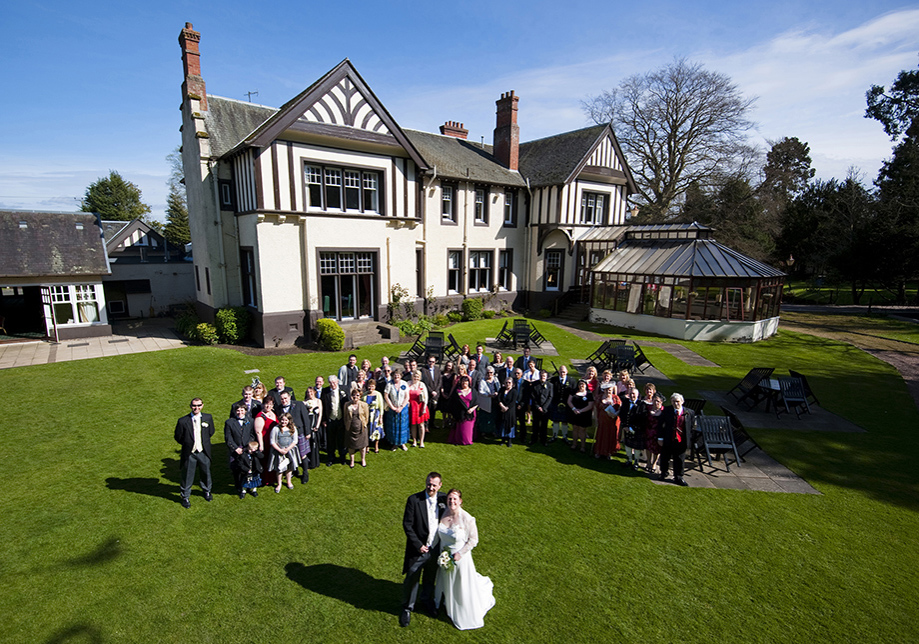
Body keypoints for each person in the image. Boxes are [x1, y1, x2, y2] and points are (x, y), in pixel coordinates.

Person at [434, 488, 495, 630]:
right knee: (446, 580)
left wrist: (460, 553)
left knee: (460, 584)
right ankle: (444, 601)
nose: (452, 501)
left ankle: (461, 608)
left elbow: (474, 540)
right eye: (450, 498)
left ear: (460, 501)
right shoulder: (443, 512)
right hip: (444, 555)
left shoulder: (467, 518)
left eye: (455, 499)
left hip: (459, 558)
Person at [401, 472, 447, 627]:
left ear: (440, 485)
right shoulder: (414, 500)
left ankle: (426, 601)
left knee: (430, 577)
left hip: (435, 549)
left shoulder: (443, 499)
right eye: (429, 483)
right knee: (413, 578)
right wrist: (418, 545)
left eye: (434, 485)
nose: (431, 487)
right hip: (418, 549)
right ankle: (408, 607)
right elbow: (407, 525)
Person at [174, 398, 214, 508]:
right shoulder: (183, 421)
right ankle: (185, 497)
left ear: (202, 406)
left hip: (203, 451)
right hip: (189, 453)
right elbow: (178, 436)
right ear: (190, 406)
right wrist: (188, 444)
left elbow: (211, 432)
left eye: (198, 405)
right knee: (187, 475)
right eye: (194, 406)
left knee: (206, 472)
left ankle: (207, 491)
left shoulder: (208, 418)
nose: (196, 408)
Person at [658, 393, 695, 486]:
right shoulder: (666, 410)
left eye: (678, 401)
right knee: (665, 457)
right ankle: (663, 473)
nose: (676, 403)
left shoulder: (689, 413)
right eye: (673, 401)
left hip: (681, 440)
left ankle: (678, 476)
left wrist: (689, 440)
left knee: (680, 459)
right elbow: (660, 425)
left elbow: (691, 427)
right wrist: (660, 438)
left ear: (682, 402)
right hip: (668, 438)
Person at [225, 402, 257, 499]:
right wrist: (235, 448)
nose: (240, 412)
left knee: (249, 468)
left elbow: (252, 434)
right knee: (236, 468)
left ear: (245, 411)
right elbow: (228, 438)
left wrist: (249, 446)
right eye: (238, 411)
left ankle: (250, 486)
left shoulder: (250, 421)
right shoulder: (229, 422)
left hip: (247, 448)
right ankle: (238, 485)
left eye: (242, 410)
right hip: (235, 449)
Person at [269, 412, 300, 492]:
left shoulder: (293, 428)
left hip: (289, 451)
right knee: (280, 468)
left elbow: (295, 441)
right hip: (279, 451)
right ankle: (279, 484)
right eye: (282, 420)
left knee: (289, 468)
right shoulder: (276, 428)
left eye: (286, 420)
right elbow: (272, 441)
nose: (284, 422)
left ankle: (289, 481)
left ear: (289, 421)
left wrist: (288, 449)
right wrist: (280, 450)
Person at [321, 375, 347, 466]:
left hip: (341, 419)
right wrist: (324, 420)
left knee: (341, 440)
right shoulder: (325, 392)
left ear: (337, 382)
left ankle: (342, 458)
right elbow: (323, 406)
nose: (333, 384)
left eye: (334, 382)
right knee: (330, 441)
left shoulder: (344, 390)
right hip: (330, 420)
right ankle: (331, 458)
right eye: (331, 383)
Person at [342, 388, 370, 468]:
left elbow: (366, 416)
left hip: (361, 429)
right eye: (354, 395)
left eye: (357, 395)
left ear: (360, 396)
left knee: (362, 446)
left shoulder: (364, 405)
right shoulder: (347, 404)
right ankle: (352, 461)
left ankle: (363, 459)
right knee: (351, 446)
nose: (355, 397)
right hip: (350, 428)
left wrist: (364, 424)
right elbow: (345, 416)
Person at [594, 380, 621, 460]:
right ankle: (599, 451)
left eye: (610, 390)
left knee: (610, 435)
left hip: (612, 420)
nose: (608, 391)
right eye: (607, 390)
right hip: (602, 420)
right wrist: (596, 419)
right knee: (601, 435)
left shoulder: (616, 398)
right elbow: (596, 408)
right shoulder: (599, 397)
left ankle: (608, 452)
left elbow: (620, 408)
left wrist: (615, 414)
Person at [620, 387, 646, 470]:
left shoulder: (642, 404)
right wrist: (624, 426)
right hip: (626, 428)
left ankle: (636, 462)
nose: (632, 395)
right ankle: (629, 460)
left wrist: (633, 428)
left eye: (634, 394)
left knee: (637, 448)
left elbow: (642, 418)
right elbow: (622, 414)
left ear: (637, 395)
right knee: (628, 445)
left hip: (637, 429)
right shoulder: (626, 402)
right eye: (630, 394)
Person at [253, 396, 277, 487]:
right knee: (266, 461)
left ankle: (273, 478)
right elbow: (258, 432)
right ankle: (266, 479)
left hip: (274, 441)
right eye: (266, 404)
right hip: (265, 442)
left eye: (270, 404)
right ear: (263, 404)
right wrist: (261, 445)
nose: (268, 406)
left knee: (273, 460)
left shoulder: (273, 413)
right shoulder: (260, 416)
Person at [385, 370, 410, 451]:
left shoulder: (404, 384)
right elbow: (386, 396)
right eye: (395, 375)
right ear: (393, 376)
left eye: (398, 375)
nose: (396, 377)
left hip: (403, 409)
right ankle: (394, 444)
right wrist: (392, 407)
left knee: (402, 426)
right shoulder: (389, 384)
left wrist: (401, 407)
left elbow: (407, 397)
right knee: (394, 426)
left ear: (401, 376)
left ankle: (402, 443)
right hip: (393, 408)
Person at [550, 366, 575, 443]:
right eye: (561, 372)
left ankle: (565, 436)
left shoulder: (572, 381)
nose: (562, 373)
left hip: (567, 404)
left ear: (567, 372)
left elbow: (573, 393)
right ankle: (554, 435)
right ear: (558, 372)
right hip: (555, 403)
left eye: (564, 372)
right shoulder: (553, 380)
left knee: (565, 421)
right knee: (555, 421)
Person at [449, 376, 478, 445]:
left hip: (470, 413)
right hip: (460, 413)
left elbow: (477, 402)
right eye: (462, 381)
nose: (464, 383)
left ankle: (468, 440)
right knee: (460, 428)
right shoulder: (457, 391)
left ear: (468, 382)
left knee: (468, 429)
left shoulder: (473, 391)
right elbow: (453, 402)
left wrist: (472, 409)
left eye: (466, 381)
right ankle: (459, 440)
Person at [568, 380, 594, 453]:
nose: (581, 386)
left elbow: (590, 405)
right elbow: (569, 401)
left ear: (586, 385)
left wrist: (581, 411)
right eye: (580, 384)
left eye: (583, 384)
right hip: (575, 413)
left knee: (582, 430)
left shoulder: (589, 394)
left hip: (584, 415)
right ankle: (574, 444)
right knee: (575, 428)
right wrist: (574, 409)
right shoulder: (574, 392)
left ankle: (583, 446)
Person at [529, 369, 554, 446]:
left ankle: (543, 440)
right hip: (536, 408)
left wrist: (544, 407)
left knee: (544, 425)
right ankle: (534, 439)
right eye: (541, 376)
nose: (543, 377)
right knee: (535, 425)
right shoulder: (535, 384)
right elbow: (533, 396)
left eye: (544, 376)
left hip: (545, 409)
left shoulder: (550, 385)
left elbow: (550, 396)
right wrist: (537, 406)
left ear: (546, 377)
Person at [302, 386, 323, 471]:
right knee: (308, 443)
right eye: (308, 392)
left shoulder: (318, 401)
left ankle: (315, 461)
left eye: (311, 392)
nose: (309, 394)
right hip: (308, 422)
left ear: (314, 392)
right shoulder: (304, 402)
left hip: (315, 422)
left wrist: (317, 426)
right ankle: (308, 461)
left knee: (315, 443)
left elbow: (320, 414)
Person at [644, 394, 665, 474]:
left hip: (658, 433)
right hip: (648, 432)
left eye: (658, 401)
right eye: (654, 400)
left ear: (661, 402)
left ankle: (654, 463)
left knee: (657, 449)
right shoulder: (648, 409)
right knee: (648, 447)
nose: (656, 403)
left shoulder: (663, 411)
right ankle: (648, 462)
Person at [408, 370, 429, 448]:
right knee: (413, 424)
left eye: (417, 376)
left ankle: (421, 441)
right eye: (414, 376)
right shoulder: (408, 384)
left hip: (420, 406)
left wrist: (424, 408)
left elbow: (426, 397)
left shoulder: (422, 385)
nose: (415, 378)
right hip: (412, 406)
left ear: (419, 377)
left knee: (421, 425)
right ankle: (414, 440)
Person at [476, 366, 499, 436]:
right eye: (488, 372)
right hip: (486, 402)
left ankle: (492, 430)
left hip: (494, 402)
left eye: (491, 373)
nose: (489, 374)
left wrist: (497, 393)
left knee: (493, 416)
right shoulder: (483, 381)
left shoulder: (496, 380)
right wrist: (488, 395)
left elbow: (499, 388)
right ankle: (483, 431)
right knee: (484, 417)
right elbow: (480, 391)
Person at [421, 355, 442, 430]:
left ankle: (432, 424)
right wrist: (431, 391)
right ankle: (426, 425)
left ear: (435, 362)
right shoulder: (423, 370)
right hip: (428, 393)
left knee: (433, 410)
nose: (431, 363)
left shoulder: (437, 369)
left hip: (436, 393)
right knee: (427, 410)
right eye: (430, 361)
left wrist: (436, 391)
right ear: (427, 361)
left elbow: (440, 381)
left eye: (433, 362)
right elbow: (424, 382)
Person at [364, 378, 385, 453]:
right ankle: (367, 446)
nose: (371, 388)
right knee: (367, 431)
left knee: (377, 430)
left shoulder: (378, 394)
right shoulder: (364, 395)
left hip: (376, 415)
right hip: (367, 415)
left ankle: (376, 446)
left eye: (372, 386)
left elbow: (381, 406)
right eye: (369, 386)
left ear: (375, 387)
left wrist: (381, 417)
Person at [496, 376, 518, 447]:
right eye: (506, 383)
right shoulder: (502, 389)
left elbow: (513, 402)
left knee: (509, 425)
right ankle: (503, 439)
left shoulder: (514, 391)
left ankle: (509, 441)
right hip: (502, 410)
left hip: (510, 411)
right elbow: (499, 398)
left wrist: (506, 408)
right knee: (502, 424)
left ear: (512, 384)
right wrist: (502, 406)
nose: (508, 384)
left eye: (509, 383)